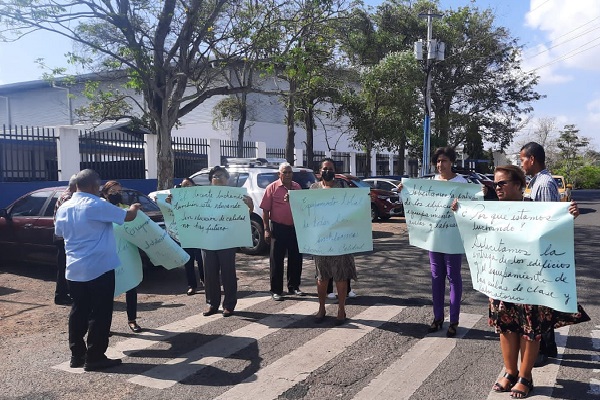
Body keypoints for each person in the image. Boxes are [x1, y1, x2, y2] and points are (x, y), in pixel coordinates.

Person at [453, 165, 587, 399]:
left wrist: (570, 214)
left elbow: (555, 232)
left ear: (518, 185)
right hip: (502, 281)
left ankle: (526, 377)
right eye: (495, 184)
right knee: (505, 327)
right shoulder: (489, 211)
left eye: (502, 183)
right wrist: (461, 211)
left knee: (530, 330)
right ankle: (510, 371)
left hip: (531, 283)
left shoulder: (538, 210)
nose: (498, 187)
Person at [54, 169, 140, 371]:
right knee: (100, 313)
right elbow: (127, 217)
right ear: (95, 186)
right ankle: (95, 357)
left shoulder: (64, 207)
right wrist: (135, 207)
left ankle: (77, 355)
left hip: (74, 269)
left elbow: (59, 233)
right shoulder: (96, 204)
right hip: (99, 268)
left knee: (78, 311)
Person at [519, 141, 579, 368]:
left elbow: (544, 223)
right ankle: (550, 345)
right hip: (544, 251)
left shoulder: (543, 184)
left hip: (543, 253)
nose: (521, 163)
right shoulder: (540, 182)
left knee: (541, 301)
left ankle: (542, 349)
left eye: (522, 159)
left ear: (532, 159)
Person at [426, 146, 468, 337]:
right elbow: (418, 205)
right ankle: (437, 317)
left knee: (453, 277)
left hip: (453, 238)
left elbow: (472, 206)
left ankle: (454, 320)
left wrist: (462, 206)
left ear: (452, 162)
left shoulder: (462, 183)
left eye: (444, 160)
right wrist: (404, 192)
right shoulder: (431, 183)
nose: (440, 164)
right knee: (436, 278)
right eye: (438, 161)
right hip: (435, 239)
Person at [201, 166, 253, 317]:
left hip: (227, 241)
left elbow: (245, 215)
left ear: (227, 179)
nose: (218, 178)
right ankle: (212, 304)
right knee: (209, 274)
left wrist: (250, 206)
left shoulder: (235, 196)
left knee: (228, 273)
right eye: (215, 176)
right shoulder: (202, 196)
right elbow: (189, 211)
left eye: (221, 175)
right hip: (207, 240)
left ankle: (229, 305)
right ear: (211, 180)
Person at [311, 158, 358, 325]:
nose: (327, 171)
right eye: (324, 169)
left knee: (341, 275)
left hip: (340, 240)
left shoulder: (343, 187)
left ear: (334, 171)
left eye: (330, 168)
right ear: (320, 172)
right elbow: (306, 209)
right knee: (322, 277)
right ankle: (321, 308)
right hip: (321, 241)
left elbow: (356, 206)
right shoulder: (313, 189)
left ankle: (341, 309)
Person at [100, 180, 143, 333]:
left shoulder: (126, 210)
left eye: (119, 192)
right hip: (108, 255)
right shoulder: (101, 209)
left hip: (127, 253)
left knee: (131, 287)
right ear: (105, 193)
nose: (117, 194)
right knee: (107, 291)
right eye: (113, 192)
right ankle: (105, 325)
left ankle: (132, 320)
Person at [260, 162, 304, 301]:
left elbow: (303, 206)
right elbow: (265, 211)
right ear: (279, 174)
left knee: (296, 258)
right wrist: (266, 229)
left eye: (290, 172)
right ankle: (276, 290)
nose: (288, 174)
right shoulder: (272, 188)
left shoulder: (297, 187)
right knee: (276, 260)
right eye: (285, 172)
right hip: (278, 228)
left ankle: (294, 286)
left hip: (295, 228)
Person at [52, 174, 77, 306]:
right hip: (62, 238)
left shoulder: (67, 195)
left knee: (66, 266)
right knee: (64, 267)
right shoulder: (68, 198)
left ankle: (64, 293)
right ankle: (61, 296)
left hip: (62, 236)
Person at [180, 177, 204, 296]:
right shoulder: (178, 199)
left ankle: (205, 281)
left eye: (188, 184)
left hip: (199, 233)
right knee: (188, 260)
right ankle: (192, 286)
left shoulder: (200, 197)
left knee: (201, 259)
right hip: (186, 234)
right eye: (184, 186)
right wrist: (169, 202)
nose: (186, 187)